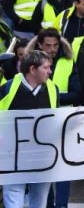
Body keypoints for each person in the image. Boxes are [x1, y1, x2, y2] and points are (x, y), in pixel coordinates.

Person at [25, 27, 80, 208]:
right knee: (44, 168)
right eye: (48, 45)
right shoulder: (28, 64)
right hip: (39, 123)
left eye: (55, 45)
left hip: (63, 120)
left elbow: (76, 94)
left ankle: (61, 205)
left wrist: (52, 96)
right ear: (40, 44)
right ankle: (47, 204)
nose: (52, 49)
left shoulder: (68, 62)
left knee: (63, 168)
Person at [0, 50, 59, 208]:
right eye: (46, 68)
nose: (50, 71)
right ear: (32, 69)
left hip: (42, 158)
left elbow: (56, 120)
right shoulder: (7, 88)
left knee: (39, 202)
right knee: (13, 201)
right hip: (12, 158)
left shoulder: (53, 89)